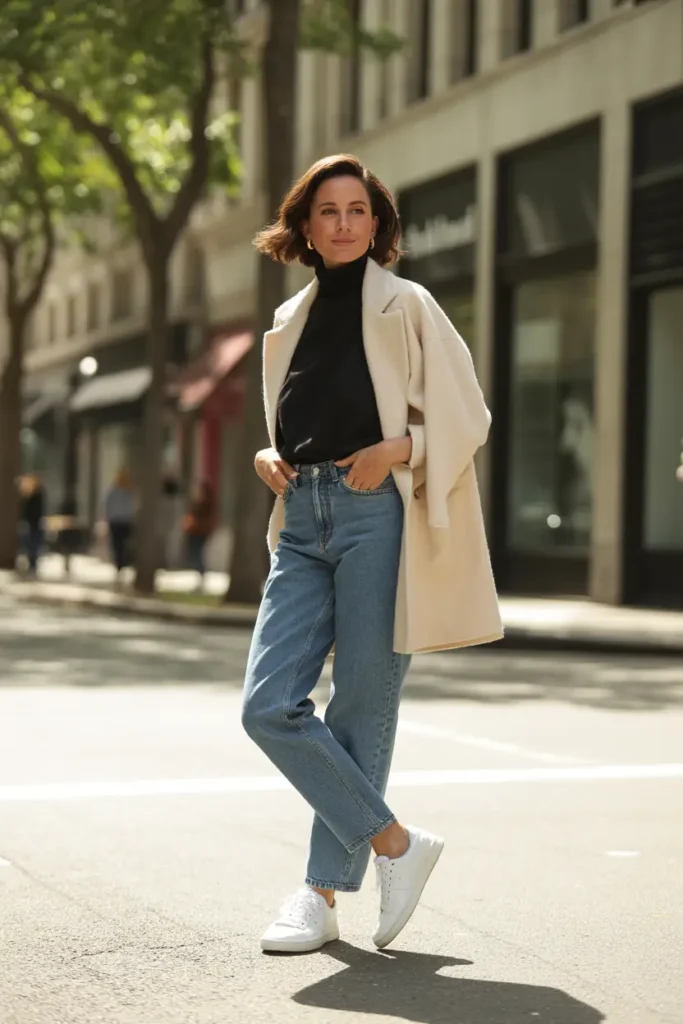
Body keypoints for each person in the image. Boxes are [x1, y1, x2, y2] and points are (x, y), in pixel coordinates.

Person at [241, 154, 502, 954]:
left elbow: (470, 415)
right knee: (267, 705)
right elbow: (294, 417)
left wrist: (401, 448)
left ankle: (319, 894)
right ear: (306, 226)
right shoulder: (287, 320)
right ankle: (395, 844)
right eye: (329, 210)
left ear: (377, 224)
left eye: (359, 209)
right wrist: (266, 456)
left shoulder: (409, 305)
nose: (345, 223)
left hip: (374, 516)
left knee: (358, 706)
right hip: (302, 512)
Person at [103, 469, 135, 581]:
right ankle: (120, 564)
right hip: (118, 521)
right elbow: (107, 505)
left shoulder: (129, 491)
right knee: (118, 544)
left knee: (122, 545)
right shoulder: (115, 491)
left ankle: (123, 564)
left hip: (123, 521)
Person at [182, 481, 215, 588]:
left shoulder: (205, 505)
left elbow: (205, 521)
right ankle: (199, 574)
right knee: (194, 554)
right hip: (194, 531)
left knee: (198, 554)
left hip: (200, 532)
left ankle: (201, 575)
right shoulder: (197, 504)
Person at [19, 474, 45, 576]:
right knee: (29, 545)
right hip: (30, 524)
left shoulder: (38, 496)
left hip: (35, 524)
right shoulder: (28, 496)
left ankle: (33, 565)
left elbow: (36, 511)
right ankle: (31, 564)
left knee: (34, 545)